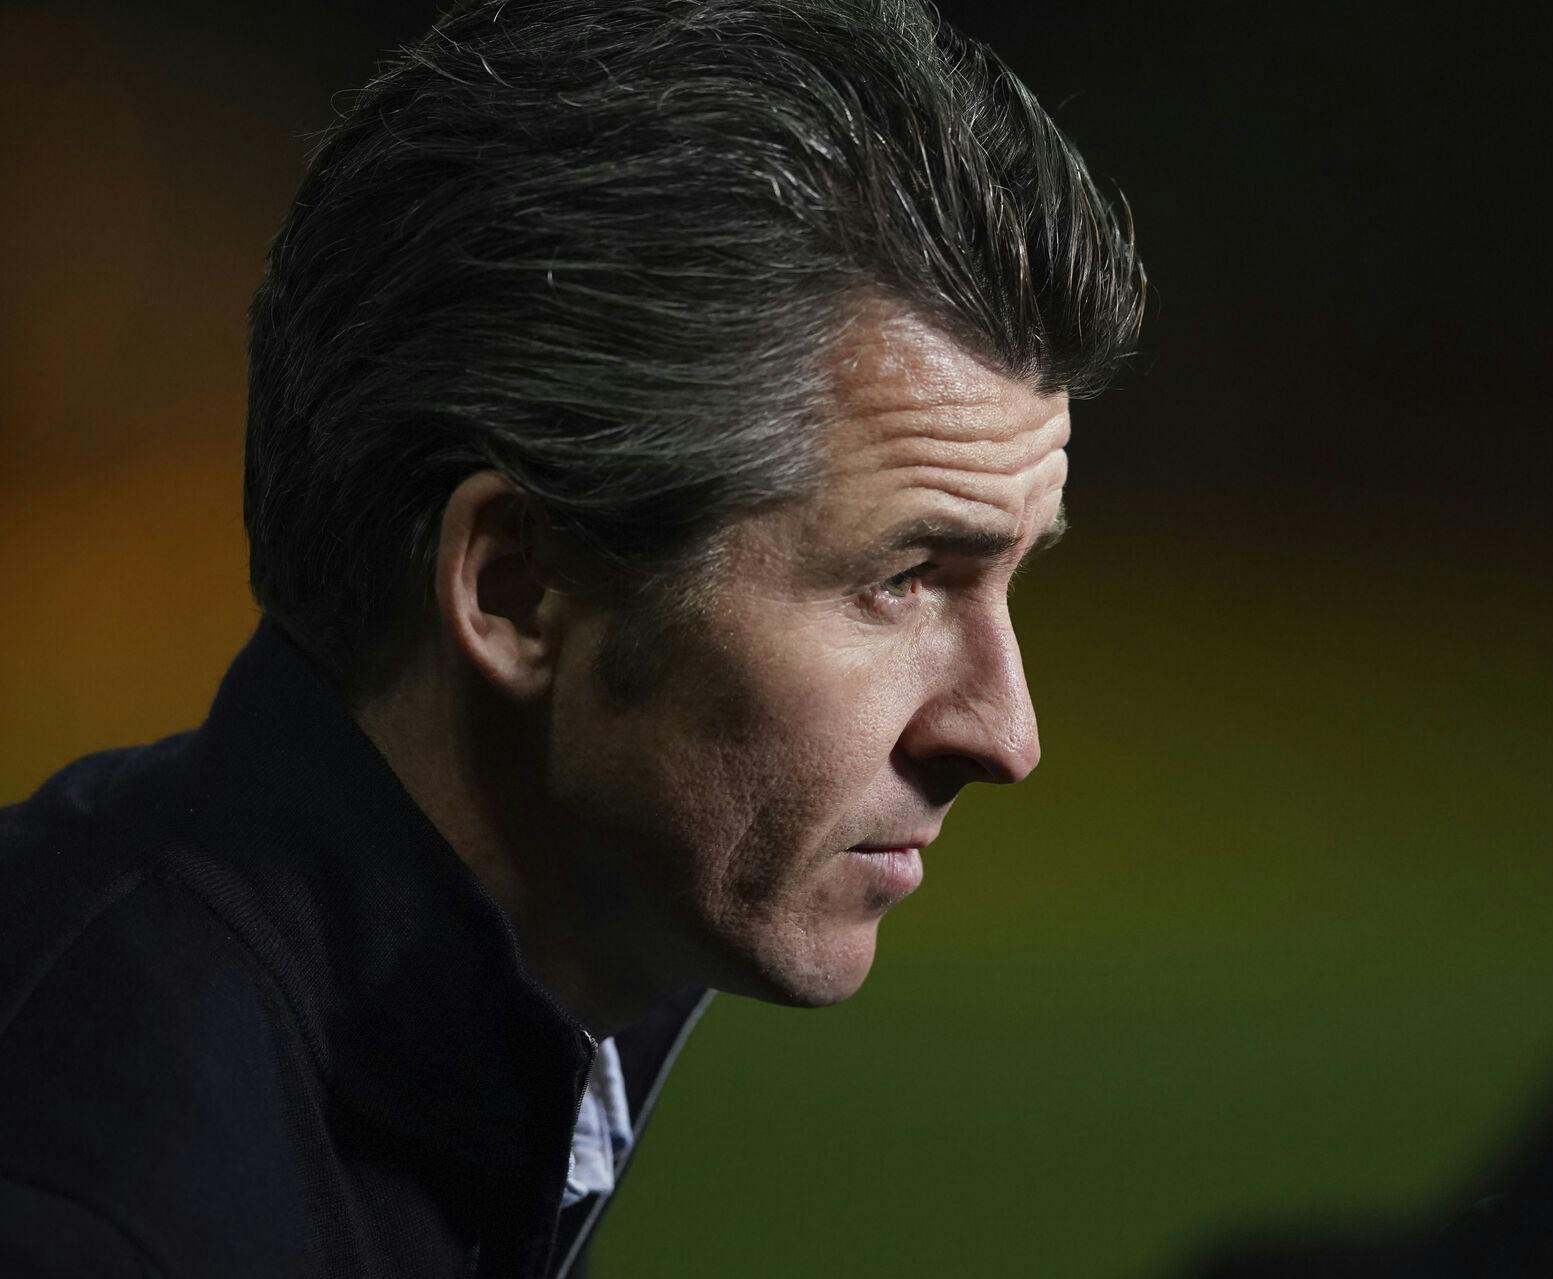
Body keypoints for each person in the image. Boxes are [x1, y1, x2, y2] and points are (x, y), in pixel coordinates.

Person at [0, 1, 1145, 1274]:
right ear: (514, 591)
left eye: (1008, 581)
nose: (1006, 735)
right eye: (904, 579)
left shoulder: (514, 1012)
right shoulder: (99, 1206)